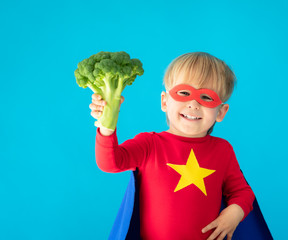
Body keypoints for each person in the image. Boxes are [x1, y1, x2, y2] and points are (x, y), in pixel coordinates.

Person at [91, 52, 255, 240]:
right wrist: (106, 126)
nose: (193, 104)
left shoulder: (222, 150)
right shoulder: (149, 144)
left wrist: (235, 213)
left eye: (206, 97)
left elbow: (242, 191)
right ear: (164, 101)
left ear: (221, 112)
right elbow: (110, 163)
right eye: (184, 93)